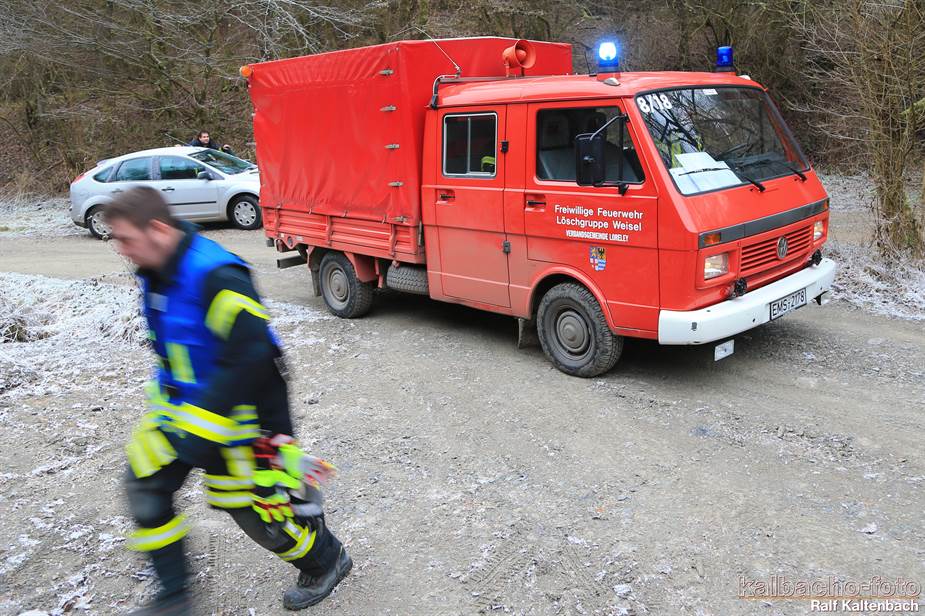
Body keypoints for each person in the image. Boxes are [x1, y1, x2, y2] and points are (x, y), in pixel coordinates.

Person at [105, 186, 351, 615]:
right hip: (179, 414)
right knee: (144, 487)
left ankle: (327, 560)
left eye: (126, 238)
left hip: (237, 423)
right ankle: (174, 598)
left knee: (260, 518)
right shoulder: (157, 272)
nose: (121, 249)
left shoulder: (216, 273)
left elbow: (258, 357)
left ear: (157, 229)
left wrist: (278, 439)